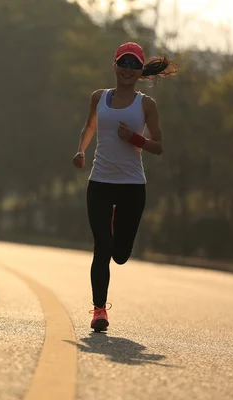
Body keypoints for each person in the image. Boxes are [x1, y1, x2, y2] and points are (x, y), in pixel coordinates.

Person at [72, 42, 177, 332]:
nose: (128, 69)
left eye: (134, 65)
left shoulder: (146, 105)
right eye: (123, 63)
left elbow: (158, 146)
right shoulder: (99, 97)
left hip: (132, 186)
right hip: (100, 184)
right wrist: (80, 151)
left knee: (120, 255)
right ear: (115, 66)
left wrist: (135, 138)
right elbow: (89, 127)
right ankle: (99, 311)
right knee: (102, 247)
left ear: (140, 70)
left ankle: (118, 222)